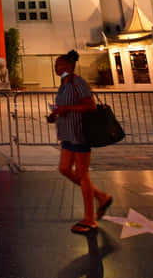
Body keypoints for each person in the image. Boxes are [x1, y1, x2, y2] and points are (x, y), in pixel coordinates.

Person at [48, 50, 112, 234]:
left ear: (69, 66)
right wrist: (55, 115)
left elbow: (90, 106)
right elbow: (64, 108)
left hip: (80, 133)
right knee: (64, 169)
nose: (56, 67)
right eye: (55, 65)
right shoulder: (63, 84)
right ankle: (101, 196)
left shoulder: (78, 82)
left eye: (59, 64)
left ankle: (90, 219)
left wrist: (67, 108)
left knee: (82, 175)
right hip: (67, 134)